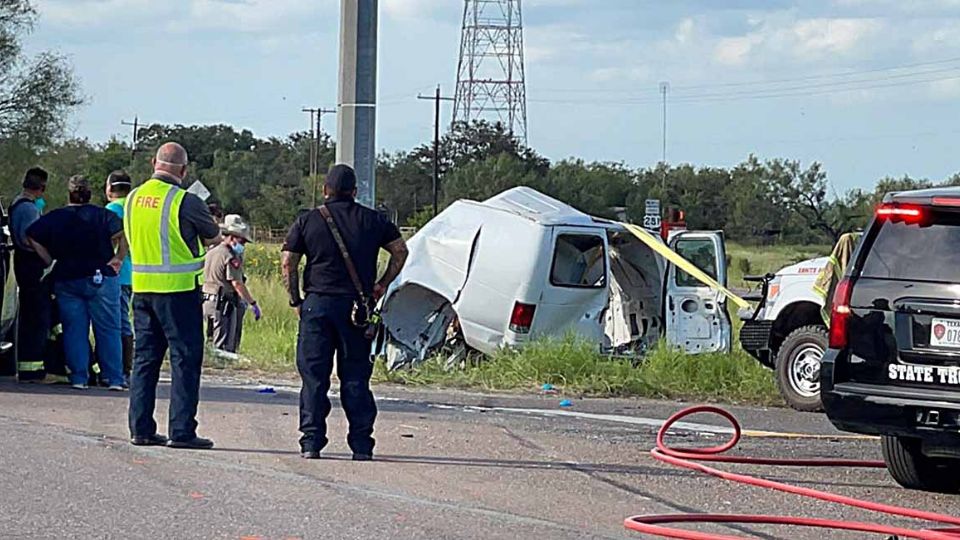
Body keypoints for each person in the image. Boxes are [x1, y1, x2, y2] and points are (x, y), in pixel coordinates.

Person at [282, 164, 408, 461]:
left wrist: (295, 300)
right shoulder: (374, 220)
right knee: (355, 378)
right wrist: (381, 285)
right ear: (354, 192)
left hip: (317, 305)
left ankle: (311, 442)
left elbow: (288, 263)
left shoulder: (308, 220)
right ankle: (361, 445)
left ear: (325, 190)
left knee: (314, 378)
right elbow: (401, 251)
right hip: (356, 308)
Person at [126, 142, 221, 450]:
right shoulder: (186, 201)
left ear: (154, 163)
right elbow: (214, 238)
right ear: (183, 170)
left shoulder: (132, 198)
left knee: (144, 361)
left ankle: (140, 429)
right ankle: (181, 431)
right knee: (184, 361)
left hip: (141, 291)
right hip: (178, 293)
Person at [26, 176, 127, 390]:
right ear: (90, 194)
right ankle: (114, 378)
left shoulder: (56, 217)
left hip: (67, 278)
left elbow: (31, 236)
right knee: (108, 329)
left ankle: (79, 377)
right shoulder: (104, 215)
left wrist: (48, 258)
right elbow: (123, 235)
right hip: (101, 277)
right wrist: (118, 258)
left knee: (74, 329)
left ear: (69, 193)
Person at [9, 167, 53, 382]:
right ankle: (32, 368)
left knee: (32, 315)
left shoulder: (19, 204)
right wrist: (47, 258)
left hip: (24, 264)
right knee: (36, 317)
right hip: (30, 265)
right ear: (42, 188)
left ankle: (30, 366)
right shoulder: (27, 209)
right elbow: (31, 238)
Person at [202, 214, 260, 353]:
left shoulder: (211, 252)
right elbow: (237, 283)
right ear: (233, 237)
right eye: (242, 241)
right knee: (223, 347)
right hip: (223, 304)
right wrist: (252, 303)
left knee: (210, 341)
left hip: (207, 301)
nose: (243, 245)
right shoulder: (230, 256)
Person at [105, 171, 134, 380]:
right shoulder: (133, 207)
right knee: (125, 318)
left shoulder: (112, 209)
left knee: (117, 320)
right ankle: (125, 366)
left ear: (109, 188)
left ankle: (122, 368)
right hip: (133, 272)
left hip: (116, 271)